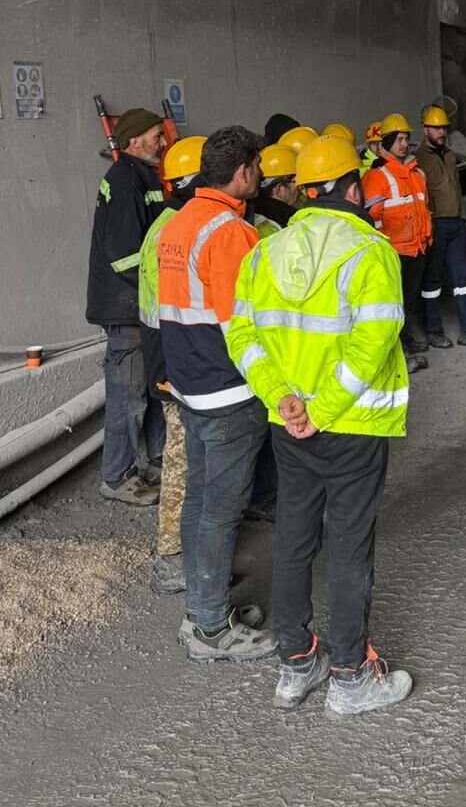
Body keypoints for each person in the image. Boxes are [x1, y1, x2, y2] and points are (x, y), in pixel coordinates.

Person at [226, 134, 413, 717]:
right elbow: (371, 345)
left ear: (305, 192)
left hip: (290, 426)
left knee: (294, 539)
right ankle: (351, 677)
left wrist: (283, 398)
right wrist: (323, 408)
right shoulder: (371, 252)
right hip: (352, 424)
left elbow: (241, 335)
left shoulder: (264, 252)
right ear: (353, 189)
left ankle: (295, 664)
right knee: (350, 546)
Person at [158, 126, 275, 663]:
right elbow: (242, 325)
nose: (262, 174)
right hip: (228, 391)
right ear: (243, 171)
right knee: (221, 511)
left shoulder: (179, 223)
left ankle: (201, 611)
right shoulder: (229, 232)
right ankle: (210, 629)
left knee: (201, 500)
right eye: (258, 166)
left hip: (191, 386)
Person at [87, 106, 168, 506]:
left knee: (149, 392)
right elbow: (124, 258)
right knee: (128, 397)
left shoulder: (140, 175)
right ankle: (117, 478)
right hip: (128, 308)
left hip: (140, 307)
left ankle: (156, 464)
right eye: (156, 135)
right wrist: (164, 289)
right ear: (135, 140)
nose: (163, 141)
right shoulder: (125, 179)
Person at [139, 135, 205, 593]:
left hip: (172, 360)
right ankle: (171, 559)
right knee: (182, 461)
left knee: (192, 459)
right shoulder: (174, 230)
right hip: (173, 364)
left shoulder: (171, 222)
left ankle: (192, 554)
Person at [414, 105, 466, 353]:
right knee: (432, 282)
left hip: (456, 223)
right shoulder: (417, 158)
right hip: (435, 224)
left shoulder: (450, 155)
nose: (442, 132)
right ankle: (433, 331)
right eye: (436, 128)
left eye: (444, 128)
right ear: (425, 129)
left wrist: (461, 217)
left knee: (464, 280)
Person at [362, 113, 433, 369]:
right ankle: (397, 350)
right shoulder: (377, 175)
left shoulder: (415, 172)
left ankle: (405, 340)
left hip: (417, 247)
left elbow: (423, 208)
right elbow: (371, 218)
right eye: (400, 139)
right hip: (393, 251)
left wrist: (427, 237)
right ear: (388, 140)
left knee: (408, 301)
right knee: (393, 303)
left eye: (407, 139)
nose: (405, 144)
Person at [253, 145, 299, 239]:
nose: (301, 187)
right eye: (296, 182)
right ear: (279, 190)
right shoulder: (275, 225)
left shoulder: (254, 212)